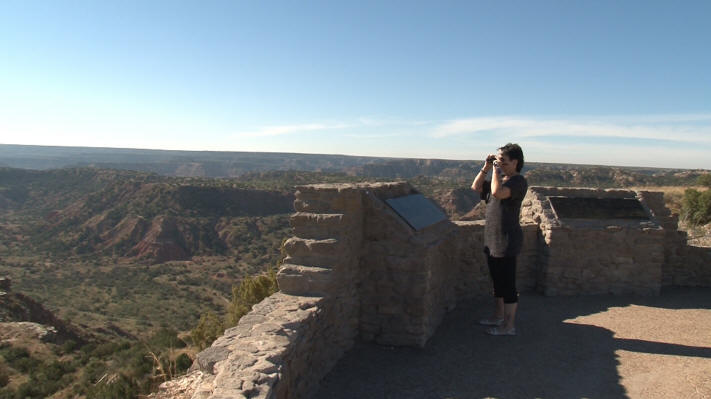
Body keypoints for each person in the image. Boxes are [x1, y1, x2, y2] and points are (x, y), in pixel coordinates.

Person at [470, 143, 528, 336]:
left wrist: (495, 171)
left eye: (503, 160)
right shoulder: (499, 178)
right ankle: (498, 316)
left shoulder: (517, 182)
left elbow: (497, 193)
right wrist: (486, 167)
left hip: (507, 240)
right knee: (497, 282)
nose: (499, 163)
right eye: (498, 160)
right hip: (492, 239)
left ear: (515, 162)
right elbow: (476, 186)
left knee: (508, 284)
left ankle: (508, 326)